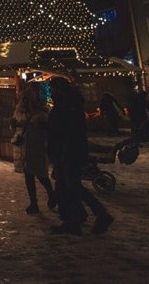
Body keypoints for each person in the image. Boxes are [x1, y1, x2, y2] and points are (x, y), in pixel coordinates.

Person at [48, 77, 114, 235]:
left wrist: (62, 152)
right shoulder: (70, 104)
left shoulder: (68, 106)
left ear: (59, 90)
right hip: (66, 151)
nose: (51, 92)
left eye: (53, 89)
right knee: (66, 187)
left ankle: (99, 215)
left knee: (71, 186)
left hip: (68, 153)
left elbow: (68, 131)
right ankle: (74, 219)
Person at [11, 83, 56, 214]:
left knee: (39, 173)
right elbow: (17, 125)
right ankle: (34, 201)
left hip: (35, 145)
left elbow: (42, 128)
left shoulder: (40, 114)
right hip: (25, 145)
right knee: (29, 174)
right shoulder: (22, 111)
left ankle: (50, 195)